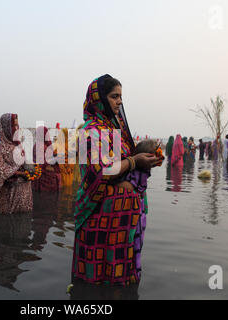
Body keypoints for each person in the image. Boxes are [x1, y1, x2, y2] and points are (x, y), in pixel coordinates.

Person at [71, 75, 161, 286]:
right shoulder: (90, 132)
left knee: (118, 275)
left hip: (122, 218)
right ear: (99, 99)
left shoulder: (115, 130)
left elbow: (128, 162)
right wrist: (134, 161)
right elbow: (102, 171)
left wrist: (147, 159)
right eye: (114, 96)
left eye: (121, 96)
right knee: (97, 276)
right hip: (100, 214)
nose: (119, 101)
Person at [0, 113, 33, 214]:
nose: (17, 128)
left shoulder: (17, 144)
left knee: (23, 225)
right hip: (8, 195)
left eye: (17, 125)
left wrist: (30, 170)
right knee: (8, 225)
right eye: (13, 125)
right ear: (6, 127)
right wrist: (20, 174)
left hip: (24, 194)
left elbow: (23, 162)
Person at [33, 126, 61, 192]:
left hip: (45, 175)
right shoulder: (40, 146)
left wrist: (54, 157)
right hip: (45, 177)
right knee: (47, 198)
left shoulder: (40, 145)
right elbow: (43, 162)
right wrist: (56, 159)